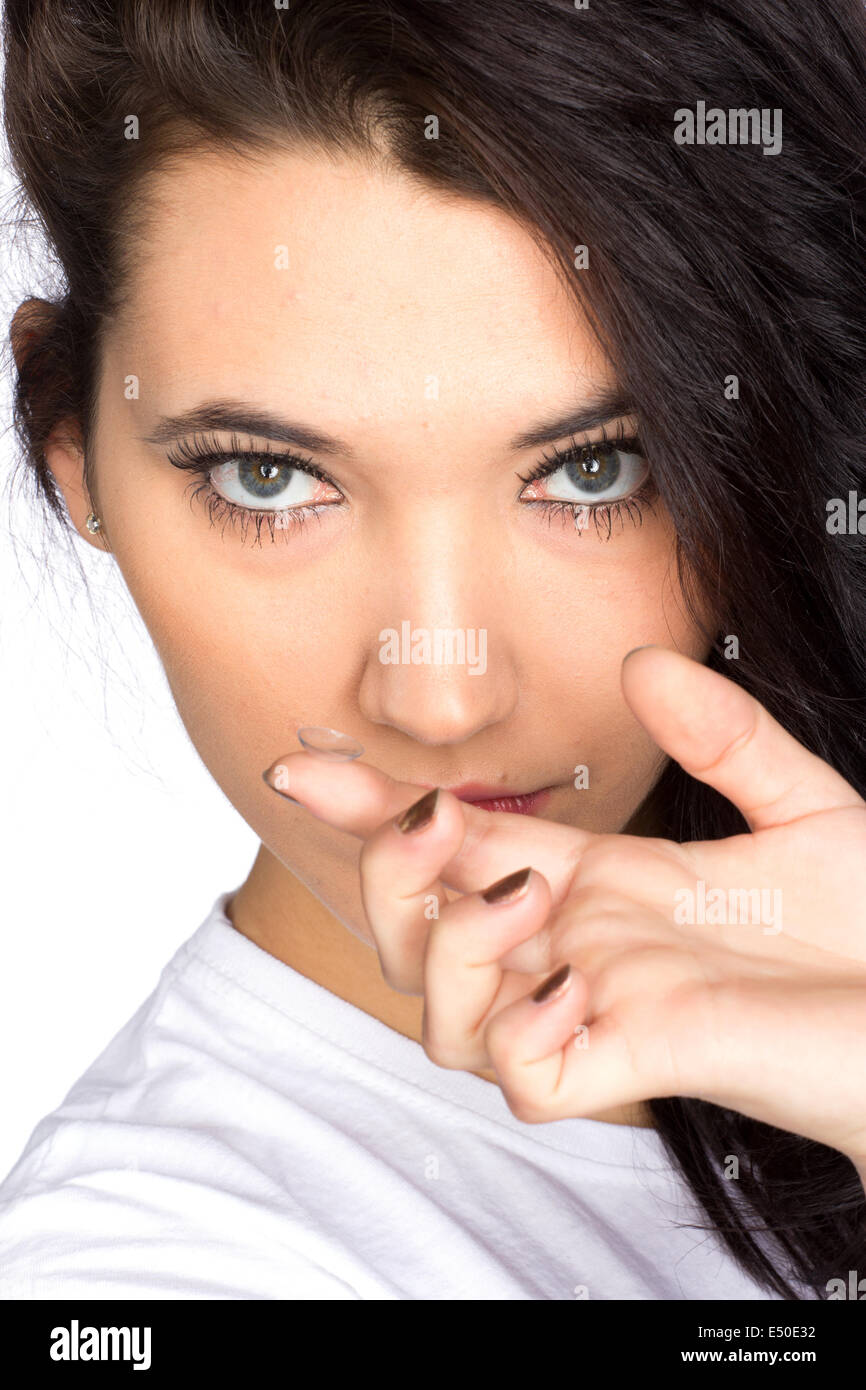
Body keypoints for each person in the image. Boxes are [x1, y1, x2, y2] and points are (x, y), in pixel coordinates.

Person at [1, 0, 864, 1301]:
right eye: (267, 476)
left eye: (593, 467)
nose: (442, 693)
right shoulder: (145, 1267)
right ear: (78, 461)